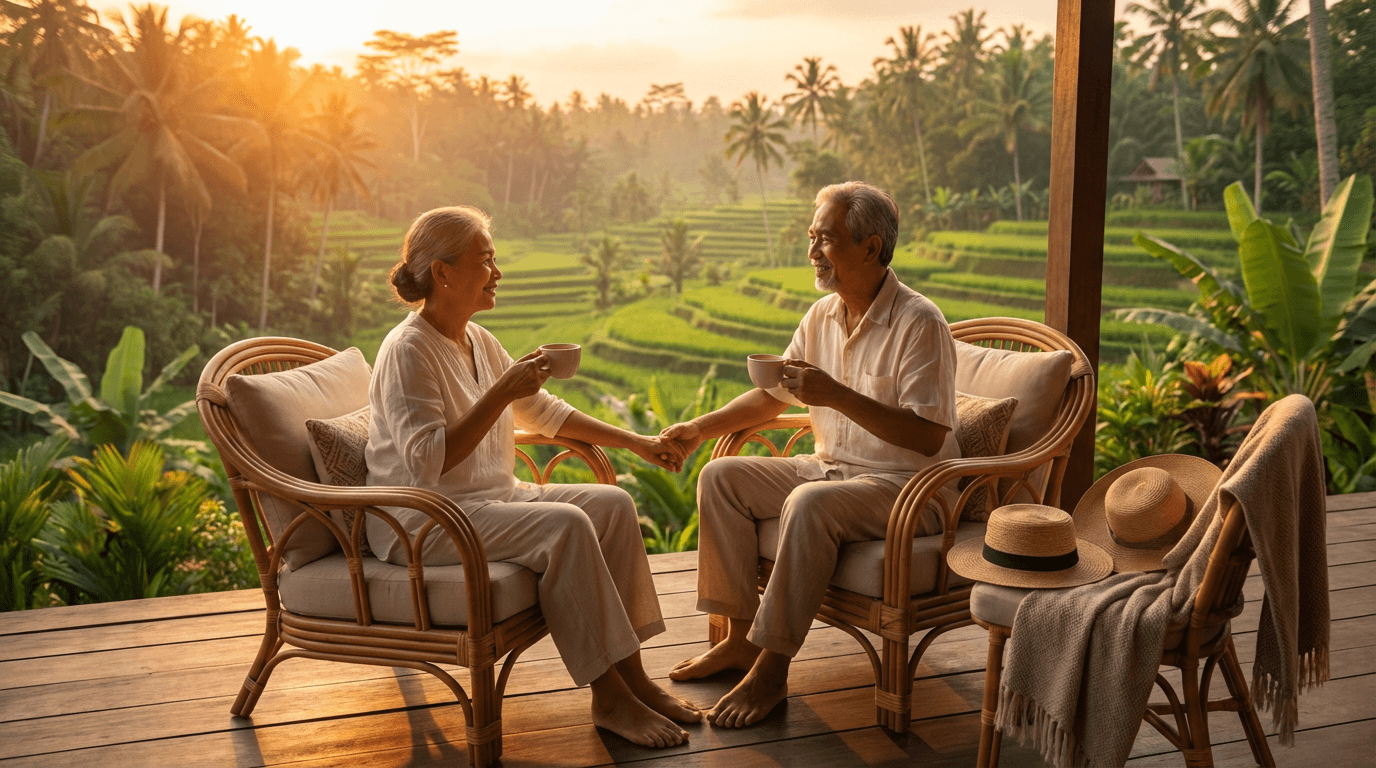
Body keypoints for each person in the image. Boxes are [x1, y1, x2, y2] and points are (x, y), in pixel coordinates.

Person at [365, 206, 699, 747]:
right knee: (563, 526)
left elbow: (544, 412)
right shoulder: (408, 351)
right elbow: (426, 460)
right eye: (486, 260)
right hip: (425, 520)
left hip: (492, 501)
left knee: (611, 507)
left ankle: (634, 679)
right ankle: (609, 698)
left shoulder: (479, 340)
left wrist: (637, 443)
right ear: (443, 272)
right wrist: (501, 392)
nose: (497, 273)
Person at [662, 181, 960, 728]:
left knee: (809, 503)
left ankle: (772, 671)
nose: (811, 252)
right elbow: (773, 394)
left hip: (907, 488)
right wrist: (699, 428)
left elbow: (927, 437)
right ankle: (738, 641)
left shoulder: (920, 322)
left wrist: (837, 395)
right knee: (722, 477)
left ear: (870, 248)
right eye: (811, 237)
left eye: (825, 239)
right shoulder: (821, 315)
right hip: (831, 468)